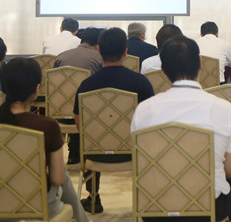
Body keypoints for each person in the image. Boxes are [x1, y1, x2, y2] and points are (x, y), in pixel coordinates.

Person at [130, 35, 231, 222]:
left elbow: (139, 163)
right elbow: (230, 169)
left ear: (164, 70)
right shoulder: (223, 108)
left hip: (154, 207)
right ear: (200, 62)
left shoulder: (143, 110)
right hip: (206, 208)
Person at [73, 27, 154, 213]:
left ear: (99, 50)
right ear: (125, 52)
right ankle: (146, 200)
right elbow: (150, 121)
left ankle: (93, 197)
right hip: (134, 152)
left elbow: (80, 124)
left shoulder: (87, 85)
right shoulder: (141, 82)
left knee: (90, 138)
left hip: (94, 154)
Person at [0, 58, 89, 222]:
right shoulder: (47, 126)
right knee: (61, 173)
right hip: (38, 206)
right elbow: (56, 179)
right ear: (37, 89)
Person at [53, 27, 103, 164]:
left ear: (81, 40)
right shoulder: (99, 58)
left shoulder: (61, 56)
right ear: (98, 45)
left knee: (73, 98)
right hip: (87, 113)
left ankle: (74, 153)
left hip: (59, 111)